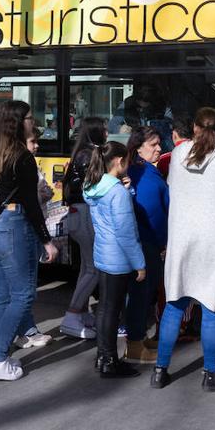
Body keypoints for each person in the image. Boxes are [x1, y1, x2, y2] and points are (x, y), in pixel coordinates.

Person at [151, 107, 215, 392]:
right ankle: (212, 373)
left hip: (182, 241)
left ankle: (160, 371)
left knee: (174, 305)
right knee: (212, 308)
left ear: (194, 128)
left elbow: (172, 185)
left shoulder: (179, 154)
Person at [0, 100, 58, 382]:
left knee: (0, 295)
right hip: (11, 228)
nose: (35, 122)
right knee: (23, 295)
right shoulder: (22, 156)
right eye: (31, 118)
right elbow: (31, 205)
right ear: (19, 122)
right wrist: (46, 240)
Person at [84, 141, 145, 378]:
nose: (129, 165)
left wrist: (127, 190)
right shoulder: (116, 191)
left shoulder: (95, 185)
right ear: (119, 161)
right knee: (112, 309)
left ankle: (103, 356)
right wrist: (139, 264)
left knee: (105, 308)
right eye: (127, 160)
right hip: (119, 258)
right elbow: (126, 232)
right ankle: (110, 360)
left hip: (103, 253)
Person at [58, 117, 106, 340]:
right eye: (104, 129)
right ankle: (72, 315)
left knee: (86, 268)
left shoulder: (81, 152)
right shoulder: (89, 154)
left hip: (77, 214)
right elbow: (95, 185)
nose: (107, 132)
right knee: (93, 268)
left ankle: (83, 312)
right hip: (85, 213)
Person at [124, 126, 169, 363]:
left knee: (139, 295)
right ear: (139, 148)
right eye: (153, 144)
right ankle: (135, 347)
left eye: (159, 143)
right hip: (147, 244)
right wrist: (164, 242)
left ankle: (137, 341)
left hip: (142, 243)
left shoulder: (139, 171)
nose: (159, 148)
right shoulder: (145, 177)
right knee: (141, 295)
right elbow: (156, 215)